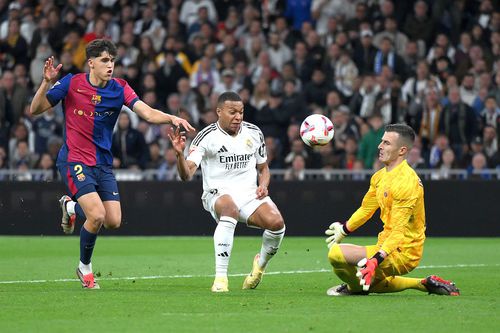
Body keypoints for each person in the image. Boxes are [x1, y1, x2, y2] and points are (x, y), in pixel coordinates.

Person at [29, 39, 194, 289]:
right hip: (75, 159)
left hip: (103, 163)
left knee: (113, 221)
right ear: (91, 63)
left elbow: (147, 113)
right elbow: (35, 109)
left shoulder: (120, 88)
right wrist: (47, 82)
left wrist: (172, 117)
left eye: (113, 61)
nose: (110, 65)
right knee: (96, 215)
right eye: (105, 60)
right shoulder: (72, 83)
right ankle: (84, 268)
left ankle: (71, 208)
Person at [169, 91, 286, 292]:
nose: (238, 117)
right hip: (217, 193)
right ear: (219, 112)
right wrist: (179, 155)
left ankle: (259, 267)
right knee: (230, 208)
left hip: (249, 194)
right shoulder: (205, 137)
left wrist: (264, 185)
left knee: (277, 224)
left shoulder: (254, 132)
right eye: (232, 112)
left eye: (241, 112)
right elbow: (186, 175)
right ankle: (221, 279)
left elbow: (264, 168)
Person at [324, 124, 460, 296]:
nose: (380, 146)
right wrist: (345, 229)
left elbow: (398, 231)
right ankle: (423, 283)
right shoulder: (379, 176)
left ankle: (356, 286)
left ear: (402, 150)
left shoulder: (407, 182)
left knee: (336, 254)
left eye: (387, 143)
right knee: (342, 262)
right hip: (386, 245)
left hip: (405, 252)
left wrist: (376, 259)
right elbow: (366, 209)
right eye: (382, 141)